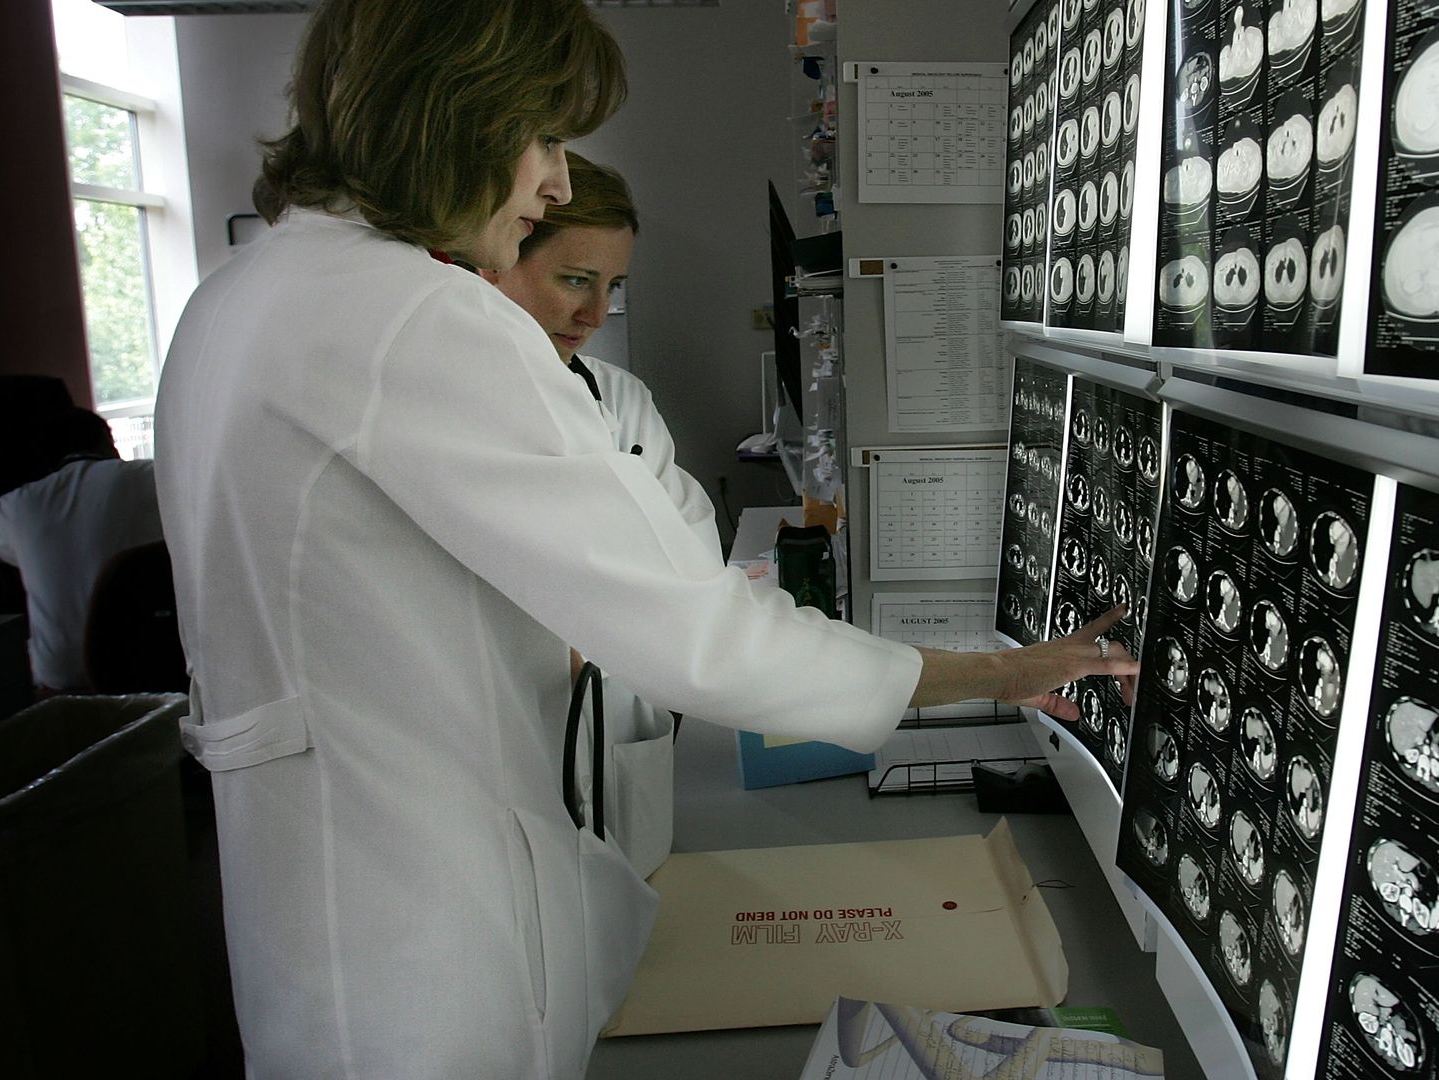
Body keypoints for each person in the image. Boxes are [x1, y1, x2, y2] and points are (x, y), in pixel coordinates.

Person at [153, 2, 1133, 1077]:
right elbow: (702, 638)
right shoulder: (406, 315)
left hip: (329, 930)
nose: (556, 185)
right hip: (425, 955)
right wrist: (1003, 674)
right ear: (452, 116)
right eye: (542, 137)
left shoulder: (242, 298)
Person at [484, 151, 704, 877]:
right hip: (505, 754)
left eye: (612, 285)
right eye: (575, 279)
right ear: (495, 259)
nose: (595, 312)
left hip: (619, 726)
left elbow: (693, 567)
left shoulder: (622, 399)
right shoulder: (449, 407)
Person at [0, 407, 163, 691]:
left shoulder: (15, 506)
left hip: (57, 684)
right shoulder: (148, 478)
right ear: (105, 441)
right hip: (145, 674)